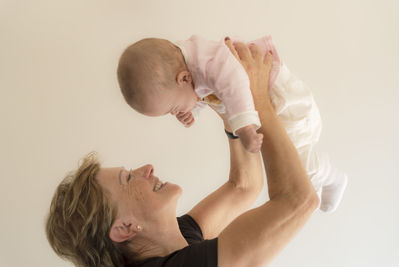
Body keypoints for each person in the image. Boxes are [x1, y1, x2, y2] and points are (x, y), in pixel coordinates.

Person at [46, 41, 319, 267]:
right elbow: (299, 201)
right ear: (125, 227)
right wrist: (257, 95)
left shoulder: (175, 241)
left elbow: (244, 187)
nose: (147, 168)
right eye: (128, 179)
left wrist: (232, 116)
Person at [117, 35, 347, 212]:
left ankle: (331, 177)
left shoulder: (209, 60)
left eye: (173, 109)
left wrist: (244, 126)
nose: (174, 114)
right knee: (289, 164)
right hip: (270, 103)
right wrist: (194, 111)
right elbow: (201, 92)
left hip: (284, 100)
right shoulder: (182, 67)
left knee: (295, 158)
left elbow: (234, 83)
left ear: (184, 78)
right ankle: (315, 183)